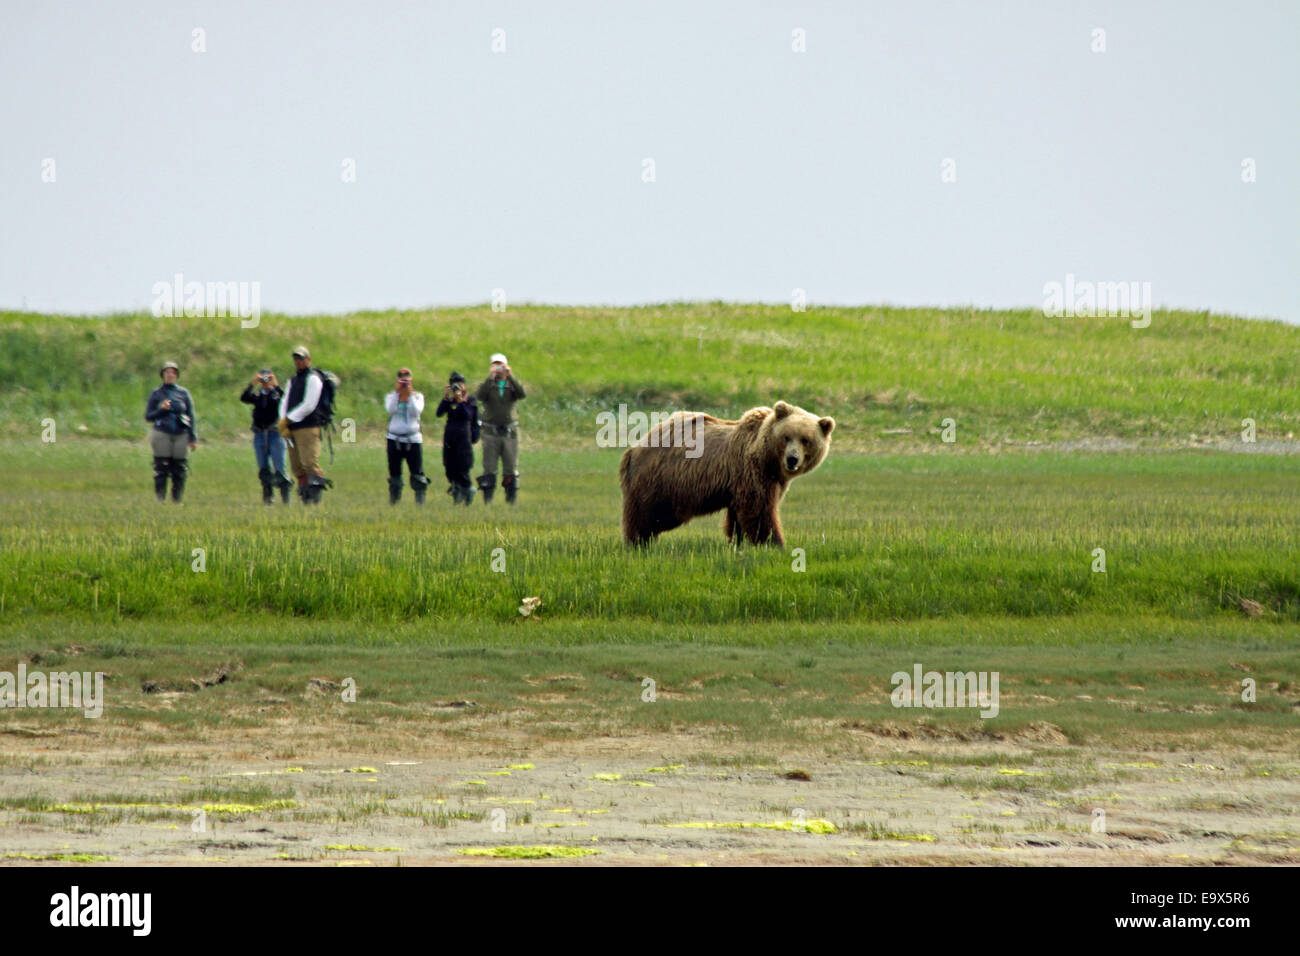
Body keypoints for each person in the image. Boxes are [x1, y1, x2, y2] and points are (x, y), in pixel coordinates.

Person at [277, 345, 332, 504]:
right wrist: (282, 420)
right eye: (296, 359)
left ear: (308, 360)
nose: (298, 362)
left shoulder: (313, 378)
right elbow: (284, 401)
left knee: (309, 463)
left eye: (301, 358)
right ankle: (305, 496)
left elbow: (309, 404)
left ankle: (315, 497)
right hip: (291, 427)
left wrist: (288, 419)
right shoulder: (292, 380)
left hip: (308, 426)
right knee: (297, 466)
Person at [475, 353, 525, 504]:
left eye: (500, 365)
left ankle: (511, 500)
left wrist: (511, 376)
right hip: (491, 433)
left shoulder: (511, 385)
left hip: (510, 433)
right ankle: (488, 500)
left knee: (510, 468)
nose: (498, 369)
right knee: (489, 468)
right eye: (495, 365)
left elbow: (522, 394)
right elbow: (480, 396)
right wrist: (490, 378)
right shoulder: (488, 385)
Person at [144, 361, 197, 502]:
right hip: (162, 432)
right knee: (162, 466)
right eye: (167, 372)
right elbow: (148, 416)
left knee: (179, 467)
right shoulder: (156, 393)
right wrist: (161, 409)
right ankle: (160, 498)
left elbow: (191, 415)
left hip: (180, 433)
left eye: (173, 372)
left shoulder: (184, 393)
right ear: (162, 375)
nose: (170, 375)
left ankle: (177, 499)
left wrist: (193, 437)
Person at [241, 367, 292, 504]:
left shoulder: (276, 395)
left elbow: (287, 400)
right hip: (260, 434)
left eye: (267, 378)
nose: (265, 381)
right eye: (263, 378)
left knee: (279, 468)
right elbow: (244, 397)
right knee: (264, 469)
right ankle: (268, 497)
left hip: (275, 434)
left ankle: (285, 498)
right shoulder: (258, 395)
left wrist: (275, 385)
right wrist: (253, 383)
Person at [384, 367, 431, 505]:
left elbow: (415, 412)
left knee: (417, 473)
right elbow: (390, 410)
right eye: (402, 379)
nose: (404, 382)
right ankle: (394, 501)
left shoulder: (418, 397)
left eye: (407, 379)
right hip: (394, 439)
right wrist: (397, 394)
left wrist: (409, 395)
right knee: (394, 474)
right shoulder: (391, 396)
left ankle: (420, 502)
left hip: (413, 439)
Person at [436, 371, 480, 504]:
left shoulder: (470, 400)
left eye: (459, 384)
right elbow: (439, 413)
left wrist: (460, 400)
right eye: (454, 385)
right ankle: (456, 491)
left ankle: (468, 491)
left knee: (463, 468)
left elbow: (468, 415)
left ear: (464, 385)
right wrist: (446, 398)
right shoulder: (450, 400)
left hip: (463, 438)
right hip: (450, 437)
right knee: (450, 467)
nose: (457, 388)